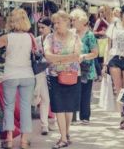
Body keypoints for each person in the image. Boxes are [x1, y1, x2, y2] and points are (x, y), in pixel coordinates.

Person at [0, 8, 35, 149]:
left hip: (10, 75)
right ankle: (24, 141)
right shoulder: (31, 37)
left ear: (11, 21)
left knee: (9, 107)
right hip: (27, 75)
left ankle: (9, 140)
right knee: (25, 108)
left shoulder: (7, 37)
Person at [44, 11, 81, 149]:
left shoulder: (75, 37)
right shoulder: (49, 37)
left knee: (69, 107)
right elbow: (47, 56)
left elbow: (77, 55)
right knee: (59, 107)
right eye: (55, 23)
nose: (56, 25)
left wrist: (57, 58)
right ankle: (63, 138)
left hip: (72, 75)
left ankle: (67, 133)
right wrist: (67, 58)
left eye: (59, 22)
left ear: (67, 22)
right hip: (54, 75)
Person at [102, 5, 124, 129]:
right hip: (115, 58)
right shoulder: (114, 26)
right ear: (121, 14)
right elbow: (108, 46)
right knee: (119, 89)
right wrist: (105, 63)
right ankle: (123, 117)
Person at [71, 9, 98, 125]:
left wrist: (84, 56)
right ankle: (71, 117)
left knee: (85, 93)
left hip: (87, 69)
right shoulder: (72, 33)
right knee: (72, 92)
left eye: (74, 20)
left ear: (81, 21)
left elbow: (95, 53)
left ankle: (84, 117)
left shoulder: (89, 35)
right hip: (73, 68)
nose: (72, 22)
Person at [34, 17, 57, 135]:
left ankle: (50, 122)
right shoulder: (36, 40)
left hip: (54, 71)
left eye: (43, 27)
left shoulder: (55, 39)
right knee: (44, 98)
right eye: (39, 27)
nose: (41, 30)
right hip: (40, 72)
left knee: (51, 98)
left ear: (50, 27)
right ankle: (45, 125)